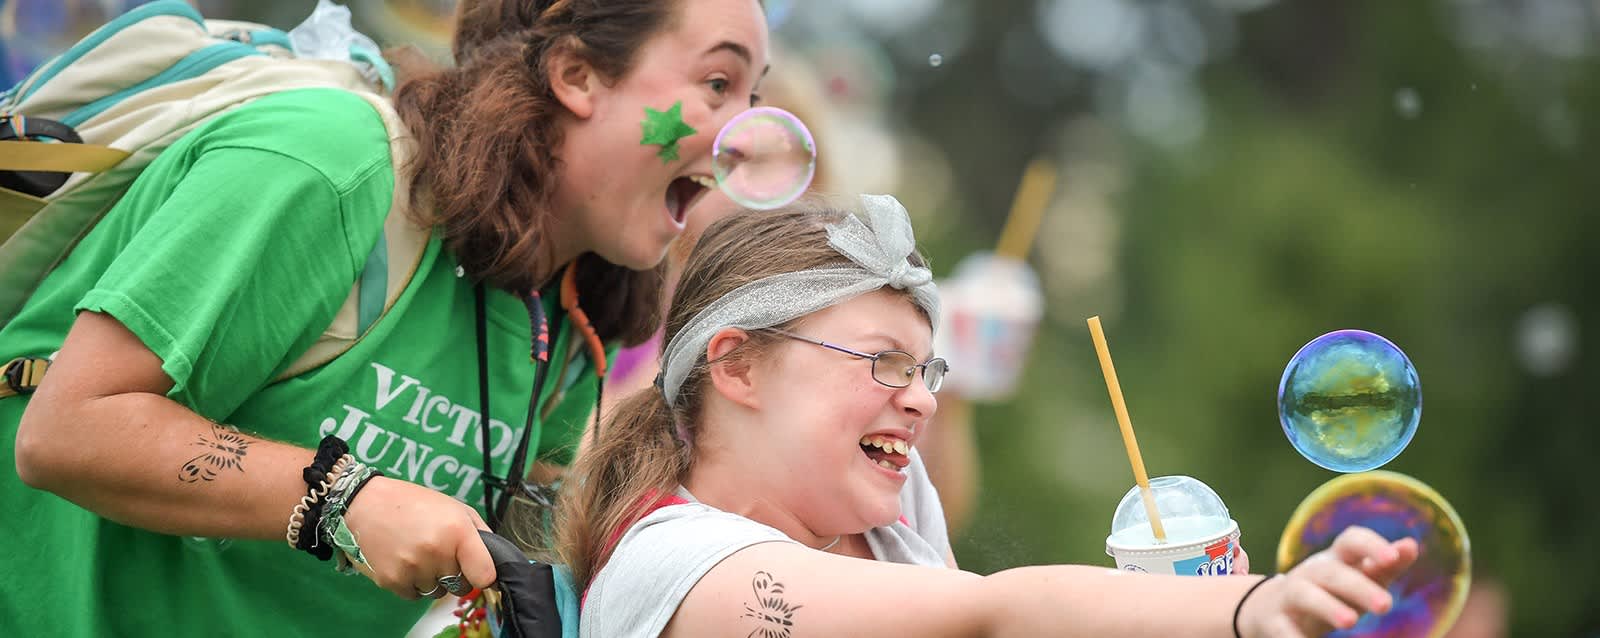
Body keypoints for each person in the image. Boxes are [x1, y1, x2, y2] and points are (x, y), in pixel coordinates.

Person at [1, 0, 769, 635]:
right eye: (717, 83)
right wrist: (346, 499)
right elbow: (66, 429)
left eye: (756, 100)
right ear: (576, 74)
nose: (746, 139)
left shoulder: (571, 317)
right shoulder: (327, 164)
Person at [558, 194, 1418, 638]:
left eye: (925, 367)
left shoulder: (894, 517)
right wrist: (1245, 611)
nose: (925, 397)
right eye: (883, 362)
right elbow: (991, 616)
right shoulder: (667, 563)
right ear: (738, 365)